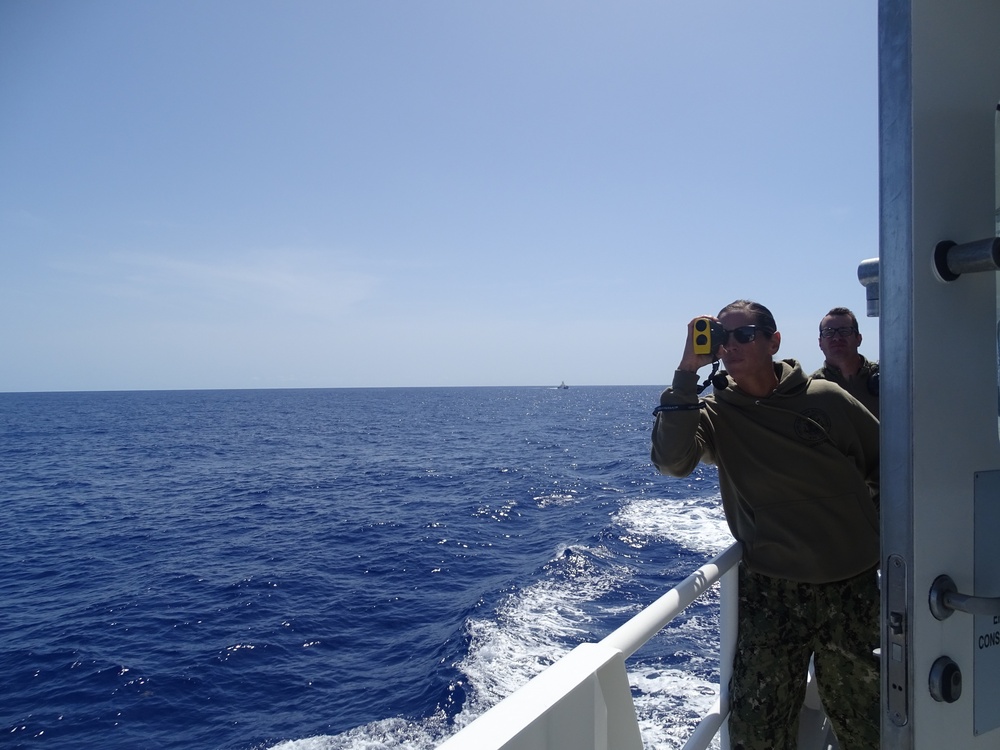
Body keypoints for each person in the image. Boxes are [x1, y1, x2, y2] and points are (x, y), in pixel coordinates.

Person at [650, 300, 880, 750]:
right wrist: (685, 373)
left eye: (743, 334)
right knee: (758, 731)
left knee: (866, 724)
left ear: (774, 341)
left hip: (850, 589)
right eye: (722, 337)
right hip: (772, 595)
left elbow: (885, 466)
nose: (730, 345)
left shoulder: (826, 399)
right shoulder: (717, 414)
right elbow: (671, 462)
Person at [812, 306, 879, 415]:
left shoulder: (886, 379)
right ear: (820, 343)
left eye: (844, 331)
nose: (837, 337)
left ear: (859, 338)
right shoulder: (812, 387)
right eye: (828, 332)